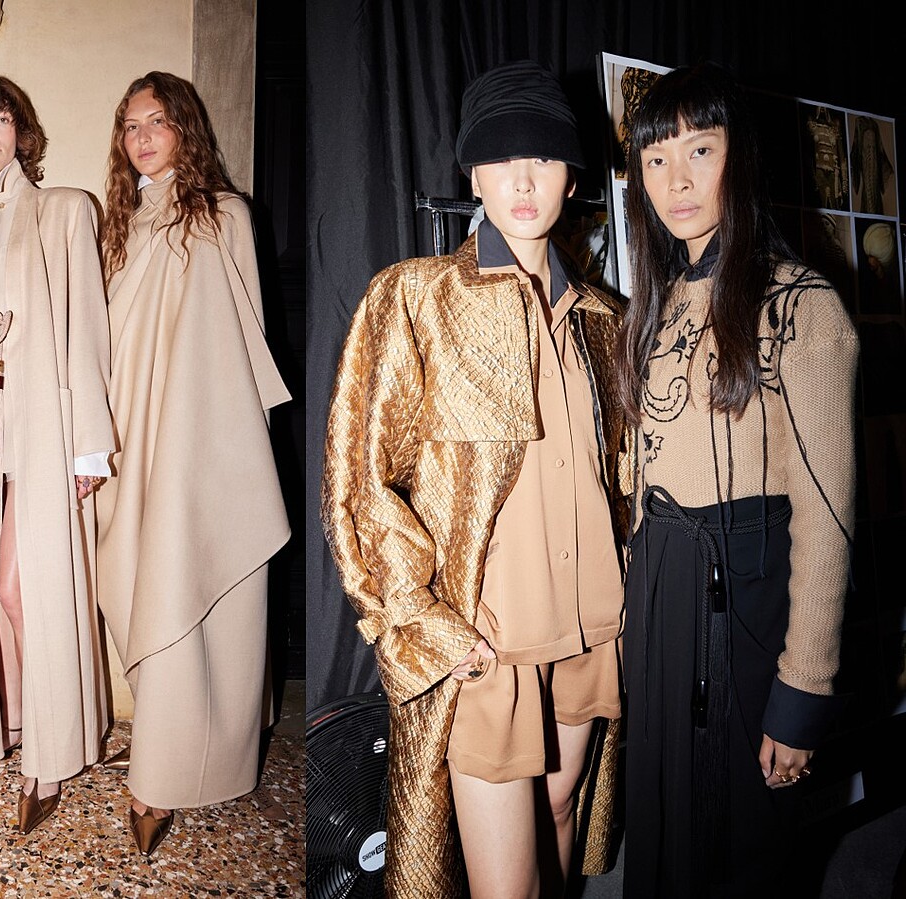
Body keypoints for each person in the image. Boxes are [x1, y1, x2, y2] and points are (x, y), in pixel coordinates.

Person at [321, 60, 630, 898]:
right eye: (500, 158)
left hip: (592, 625)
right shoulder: (414, 298)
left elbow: (622, 473)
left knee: (561, 816)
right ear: (472, 174)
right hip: (488, 640)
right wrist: (421, 619)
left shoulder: (606, 319)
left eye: (545, 158)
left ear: (574, 177)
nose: (523, 180)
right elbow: (361, 477)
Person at [616, 62, 858, 898]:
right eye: (656, 159)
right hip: (662, 605)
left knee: (740, 854)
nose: (676, 181)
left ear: (739, 157)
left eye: (701, 149)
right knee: (665, 844)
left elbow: (828, 518)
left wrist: (804, 689)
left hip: (744, 607)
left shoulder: (803, 306)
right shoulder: (652, 307)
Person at [96, 71, 292, 857]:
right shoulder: (117, 225)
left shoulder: (223, 214)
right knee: (128, 581)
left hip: (195, 438)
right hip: (123, 432)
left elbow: (240, 340)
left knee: (181, 578)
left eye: (156, 121)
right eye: (130, 125)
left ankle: (162, 774)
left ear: (186, 128)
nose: (141, 137)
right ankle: (168, 734)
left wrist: (218, 448)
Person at [0, 74, 115, 834]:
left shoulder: (67, 210)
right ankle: (1, 725)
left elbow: (88, 330)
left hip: (41, 427)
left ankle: (51, 747)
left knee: (22, 587)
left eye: (1, 120)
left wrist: (90, 445)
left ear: (21, 133)